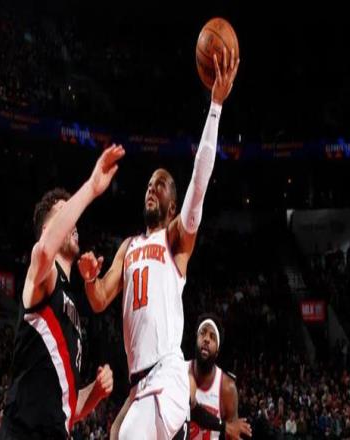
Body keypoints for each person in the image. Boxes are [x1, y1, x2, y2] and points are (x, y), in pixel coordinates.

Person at [78, 49, 239, 439]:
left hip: (166, 376)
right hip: (140, 384)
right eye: (150, 184)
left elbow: (199, 182)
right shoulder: (128, 247)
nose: (152, 188)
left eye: (161, 185)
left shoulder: (175, 240)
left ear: (172, 204)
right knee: (115, 434)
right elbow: (98, 300)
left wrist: (215, 107)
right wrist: (89, 278)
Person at [0, 145, 125, 439]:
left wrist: (95, 393)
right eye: (62, 215)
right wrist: (91, 187)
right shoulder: (43, 276)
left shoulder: (73, 312)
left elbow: (69, 407)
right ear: (47, 230)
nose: (72, 221)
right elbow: (44, 250)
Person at [188, 314, 252, 440]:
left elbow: (232, 433)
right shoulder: (180, 372)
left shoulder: (226, 387)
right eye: (203, 333)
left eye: (212, 337)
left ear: (217, 351)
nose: (206, 339)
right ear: (196, 339)